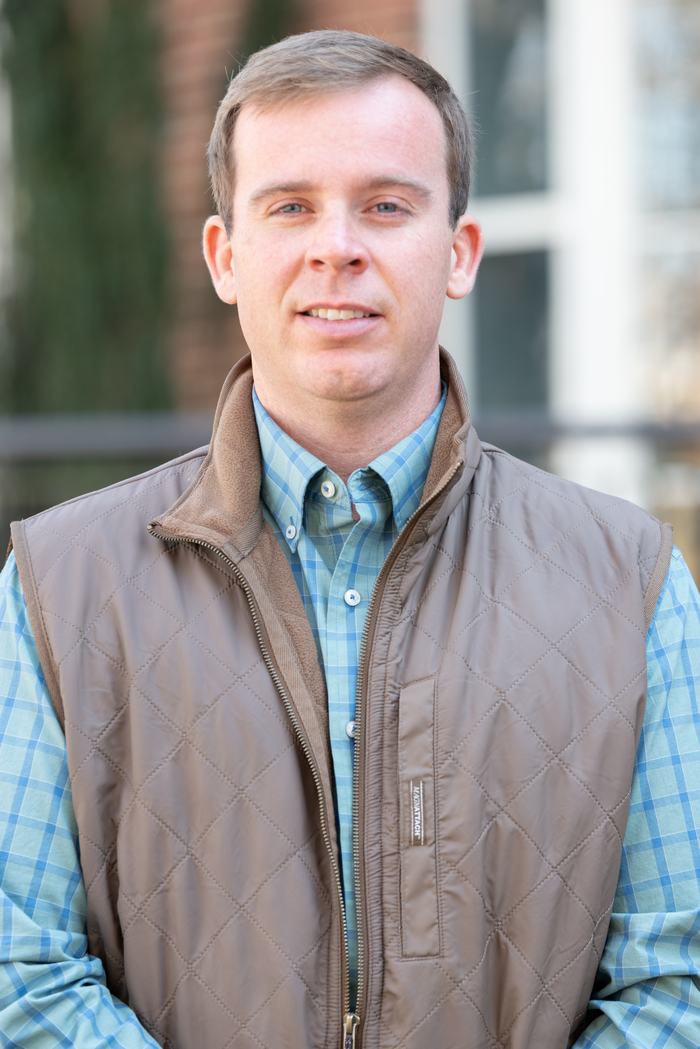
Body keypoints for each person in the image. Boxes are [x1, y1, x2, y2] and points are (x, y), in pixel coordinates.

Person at [1, 28, 699, 1049]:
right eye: (290, 206)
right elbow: (21, 975)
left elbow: (677, 982)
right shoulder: (57, 589)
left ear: (458, 252)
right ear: (225, 256)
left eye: (386, 205)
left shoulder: (632, 583)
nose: (337, 246)